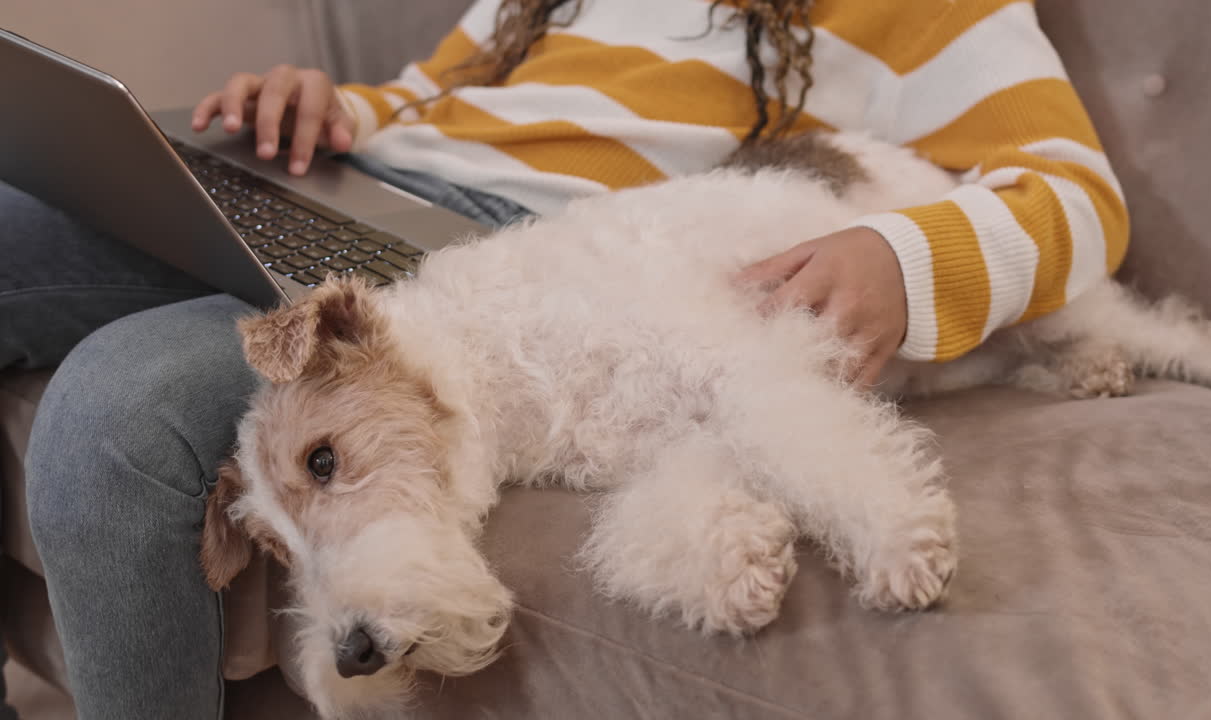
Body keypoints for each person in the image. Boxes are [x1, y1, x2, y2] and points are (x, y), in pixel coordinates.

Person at [3, 0, 1128, 717]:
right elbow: (432, 103)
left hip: (492, 257)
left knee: (111, 413)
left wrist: (901, 260)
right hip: (343, 188)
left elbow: (1075, 196)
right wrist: (332, 110)